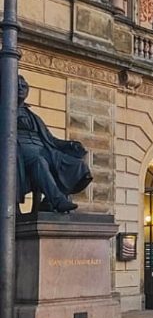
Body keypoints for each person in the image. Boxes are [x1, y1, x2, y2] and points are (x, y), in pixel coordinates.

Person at [15, 74, 92, 213]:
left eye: (24, 86)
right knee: (40, 162)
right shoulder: (6, 110)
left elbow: (51, 139)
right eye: (17, 86)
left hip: (45, 150)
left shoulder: (33, 116)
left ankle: (49, 201)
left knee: (79, 165)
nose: (21, 88)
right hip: (20, 153)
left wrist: (69, 145)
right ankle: (57, 200)